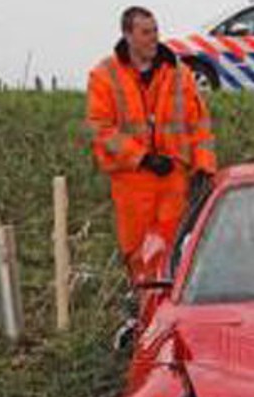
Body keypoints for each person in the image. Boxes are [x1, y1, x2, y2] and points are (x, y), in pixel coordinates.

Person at [86, 6, 217, 285]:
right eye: (146, 32)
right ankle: (140, 306)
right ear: (128, 35)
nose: (153, 38)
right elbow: (101, 129)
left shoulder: (180, 72)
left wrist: (204, 167)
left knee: (175, 250)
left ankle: (167, 307)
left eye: (155, 30)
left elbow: (200, 125)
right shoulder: (104, 75)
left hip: (174, 177)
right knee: (136, 253)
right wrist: (142, 158)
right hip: (132, 181)